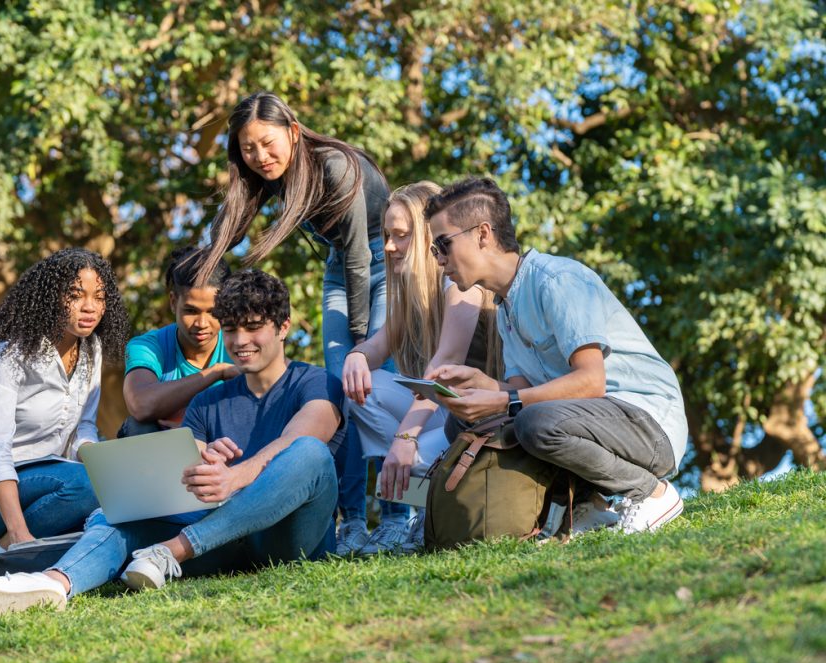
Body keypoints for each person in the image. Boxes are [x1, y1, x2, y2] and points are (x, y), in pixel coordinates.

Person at [0, 269, 345, 618]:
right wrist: (203, 467)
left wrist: (235, 477)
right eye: (233, 328)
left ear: (284, 327)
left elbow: (303, 438)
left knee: (309, 454)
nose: (241, 341)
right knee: (120, 515)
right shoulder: (206, 402)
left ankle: (173, 550)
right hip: (225, 544)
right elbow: (187, 490)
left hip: (289, 541)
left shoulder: (315, 382)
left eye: (254, 327)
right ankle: (48, 585)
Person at [424, 177, 688, 535]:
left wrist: (504, 398)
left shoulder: (556, 280)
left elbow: (590, 382)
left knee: (536, 423)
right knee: (463, 421)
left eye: (443, 244)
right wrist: (483, 387)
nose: (439, 259)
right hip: (595, 420)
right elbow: (522, 391)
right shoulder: (506, 306)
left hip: (649, 424)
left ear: (482, 234)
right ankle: (585, 507)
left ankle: (650, 493)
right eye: (434, 249)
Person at [193, 91, 392, 553]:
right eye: (248, 148)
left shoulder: (336, 166)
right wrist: (205, 264)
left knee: (372, 383)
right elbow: (230, 226)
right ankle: (354, 522)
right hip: (339, 269)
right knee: (342, 391)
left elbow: (362, 255)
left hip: (383, 262)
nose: (259, 156)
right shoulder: (272, 179)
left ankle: (397, 517)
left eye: (267, 143)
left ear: (294, 132)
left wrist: (363, 344)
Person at [342, 181, 501, 554]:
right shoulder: (409, 294)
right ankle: (421, 513)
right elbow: (377, 347)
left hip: (478, 418)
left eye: (401, 236)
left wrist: (404, 440)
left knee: (405, 460)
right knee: (365, 390)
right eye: (386, 236)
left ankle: (426, 512)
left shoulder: (460, 286)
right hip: (444, 413)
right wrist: (357, 357)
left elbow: (443, 371)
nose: (389, 247)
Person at [0, 248, 130, 578]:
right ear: (51, 297)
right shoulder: (12, 354)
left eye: (99, 297)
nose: (90, 307)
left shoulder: (92, 350)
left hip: (51, 485)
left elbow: (84, 428)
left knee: (110, 487)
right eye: (76, 295)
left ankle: (1, 559)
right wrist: (18, 536)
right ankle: (3, 553)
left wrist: (101, 462)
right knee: (89, 485)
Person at [119, 247, 238, 437]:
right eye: (191, 311)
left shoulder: (241, 345)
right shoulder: (147, 346)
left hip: (225, 447)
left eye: (213, 312)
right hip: (165, 451)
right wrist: (216, 372)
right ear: (174, 302)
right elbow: (141, 405)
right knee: (138, 426)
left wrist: (193, 428)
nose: (202, 324)